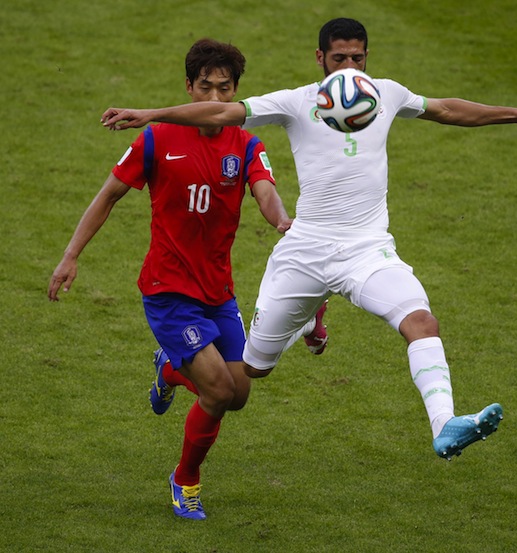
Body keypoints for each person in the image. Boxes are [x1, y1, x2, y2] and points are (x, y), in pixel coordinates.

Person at [101, 18, 517, 461]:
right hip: (304, 254)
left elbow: (446, 109)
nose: (348, 68)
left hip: (368, 250)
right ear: (320, 58)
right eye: (338, 58)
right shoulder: (296, 102)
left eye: (357, 58)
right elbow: (223, 111)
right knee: (250, 374)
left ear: (367, 58)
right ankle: (281, 326)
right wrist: (151, 114)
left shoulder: (385, 93)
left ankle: (444, 424)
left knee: (421, 322)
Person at [49, 38, 326, 520]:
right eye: (205, 88)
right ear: (188, 87)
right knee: (218, 390)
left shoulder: (247, 144)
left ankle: (170, 368)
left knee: (238, 395)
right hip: (167, 289)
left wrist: (283, 221)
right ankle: (185, 480)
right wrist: (70, 256)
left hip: (218, 292)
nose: (215, 100)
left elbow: (265, 193)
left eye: (225, 90)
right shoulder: (157, 139)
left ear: (238, 92)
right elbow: (108, 196)